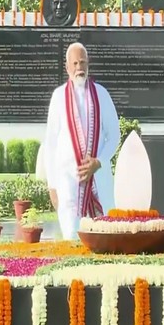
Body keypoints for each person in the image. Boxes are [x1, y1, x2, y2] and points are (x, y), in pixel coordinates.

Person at [43, 42, 120, 239]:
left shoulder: (102, 94)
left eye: (83, 62)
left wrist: (99, 161)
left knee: (106, 238)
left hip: (99, 181)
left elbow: (114, 135)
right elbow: (50, 144)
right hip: (68, 181)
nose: (79, 68)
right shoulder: (58, 96)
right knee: (71, 237)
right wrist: (52, 185)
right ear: (67, 67)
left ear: (88, 64)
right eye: (75, 63)